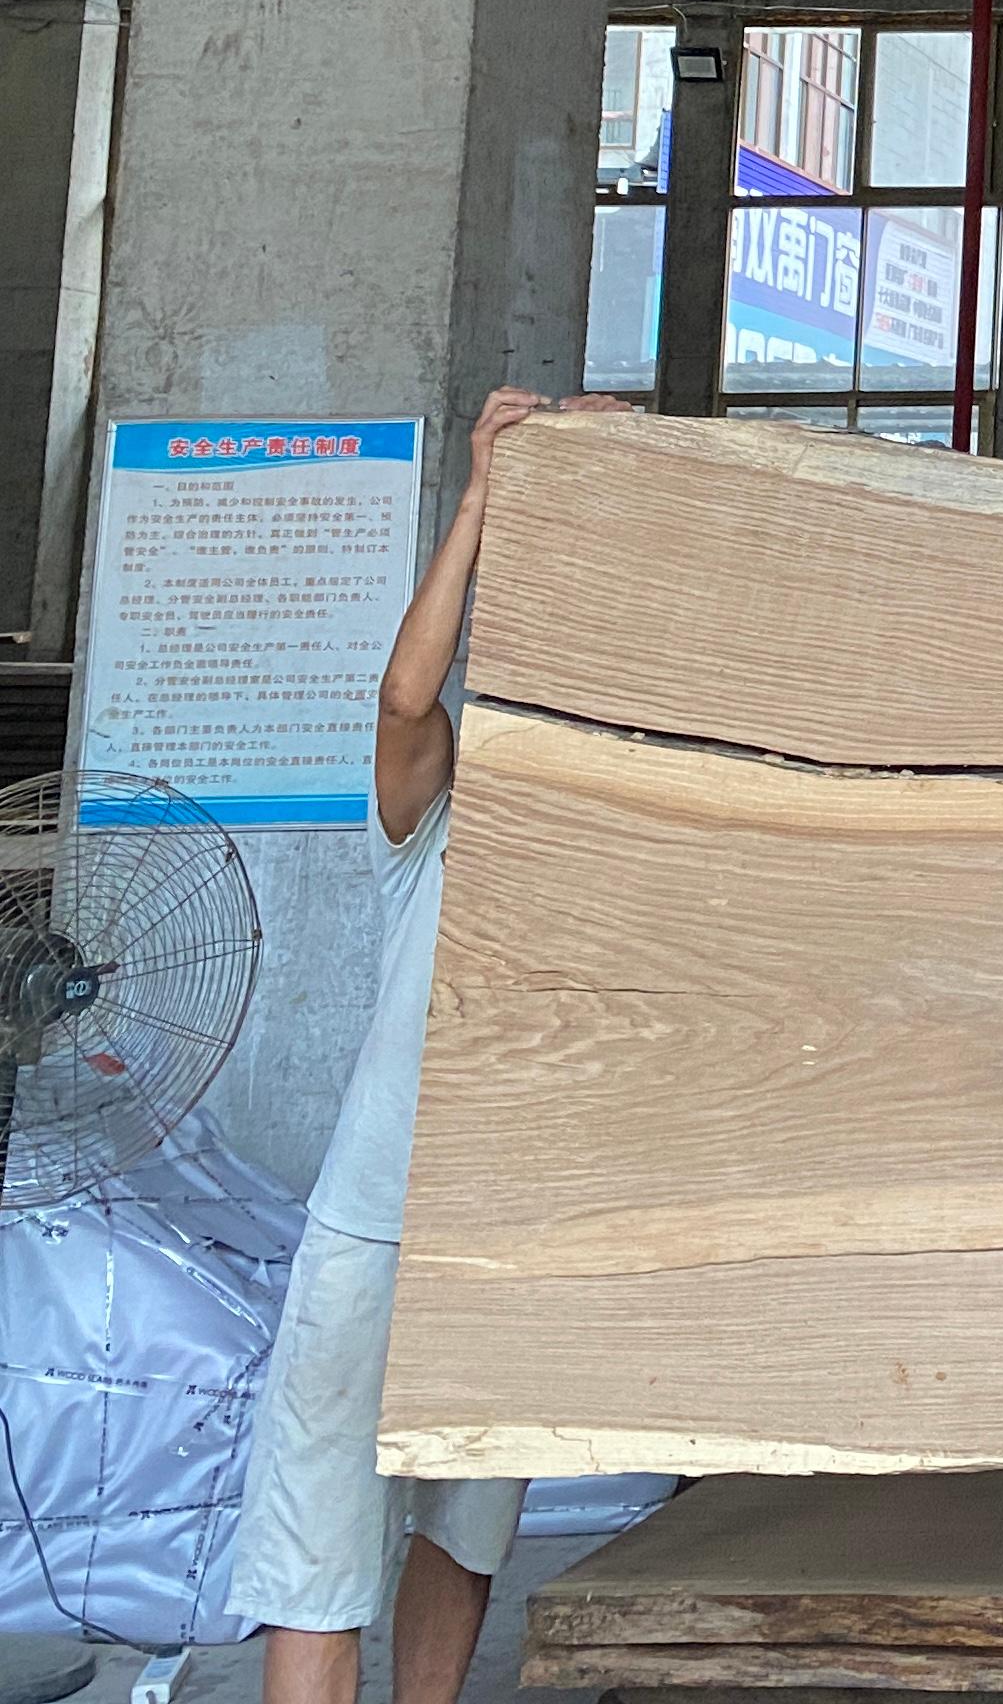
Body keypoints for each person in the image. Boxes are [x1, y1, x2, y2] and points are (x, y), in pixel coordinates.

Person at [230, 384, 630, 1704]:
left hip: (502, 1234)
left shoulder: (603, 848)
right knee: (320, 1557)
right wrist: (481, 500)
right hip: (378, 1225)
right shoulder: (433, 817)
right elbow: (406, 697)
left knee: (462, 1541)